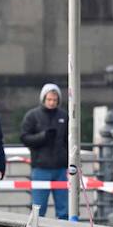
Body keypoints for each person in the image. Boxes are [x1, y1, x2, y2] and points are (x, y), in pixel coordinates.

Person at [20, 83, 69, 219]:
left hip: (60, 168)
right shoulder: (32, 116)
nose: (52, 103)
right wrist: (42, 136)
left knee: (64, 209)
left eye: (55, 100)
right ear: (43, 99)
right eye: (49, 99)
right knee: (38, 209)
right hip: (41, 168)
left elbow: (69, 140)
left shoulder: (64, 116)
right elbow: (24, 137)